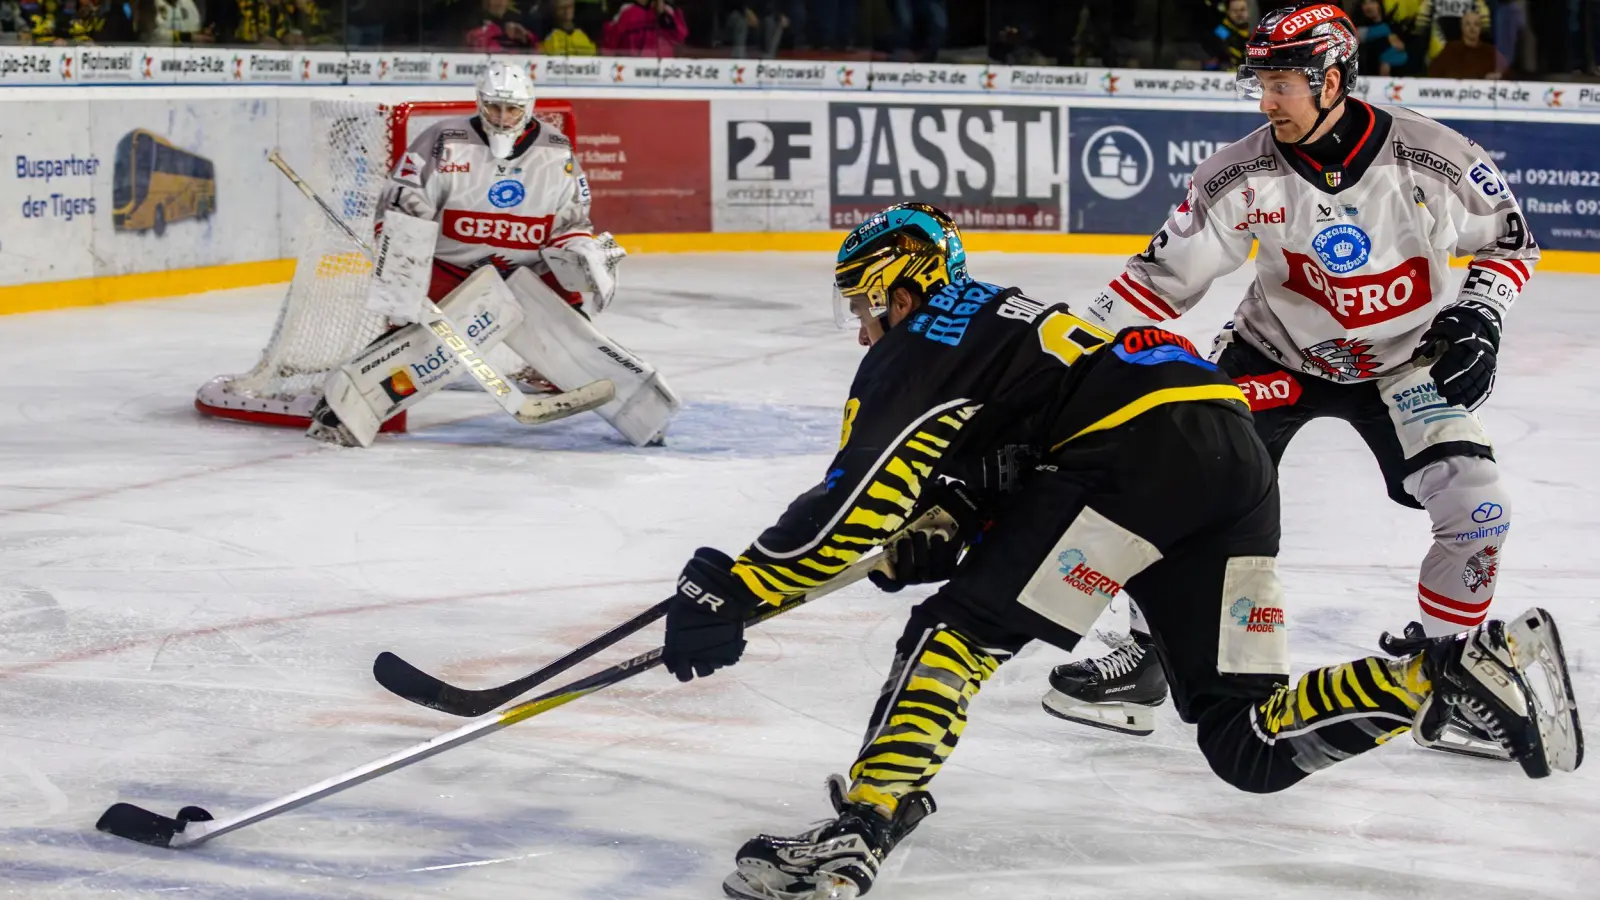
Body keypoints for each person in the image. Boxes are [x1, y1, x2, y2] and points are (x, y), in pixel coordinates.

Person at [655, 203, 1581, 900]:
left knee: (961, 633)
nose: (862, 327)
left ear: (901, 286)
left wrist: (732, 590)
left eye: (863, 304)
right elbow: (974, 500)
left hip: (1136, 457)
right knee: (1246, 741)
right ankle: (1453, 672)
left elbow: (855, 507)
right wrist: (926, 541)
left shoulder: (926, 338)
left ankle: (858, 831)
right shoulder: (1009, 330)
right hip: (1229, 458)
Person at [1043, 2, 1539, 760]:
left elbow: (1510, 243)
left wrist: (1482, 313)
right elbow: (1158, 280)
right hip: (1272, 354)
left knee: (1478, 510)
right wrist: (1063, 354)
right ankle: (1150, 657)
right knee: (1185, 485)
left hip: (1404, 362)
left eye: (1283, 82)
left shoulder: (1433, 155)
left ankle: (1452, 677)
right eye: (1262, 82)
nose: (1267, 99)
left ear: (1333, 78)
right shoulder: (1240, 171)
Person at [313, 62, 678, 449]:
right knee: (416, 343)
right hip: (449, 268)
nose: (503, 119)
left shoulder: (556, 153)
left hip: (525, 271)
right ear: (480, 103)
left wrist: (582, 252)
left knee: (569, 326)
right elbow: (401, 211)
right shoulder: (444, 141)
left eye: (512, 110)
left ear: (529, 107)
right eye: (493, 108)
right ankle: (344, 404)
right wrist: (403, 280)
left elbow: (570, 224)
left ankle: (630, 403)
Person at [1429, 8, 1504, 78]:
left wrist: (1498, 75)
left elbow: (1508, 72)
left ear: (1480, 28)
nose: (1472, 28)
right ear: (1462, 27)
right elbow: (1433, 72)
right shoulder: (1451, 49)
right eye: (1468, 24)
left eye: (1476, 24)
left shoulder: (1490, 51)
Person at [600, 0, 686, 56]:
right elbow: (609, 44)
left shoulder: (670, 11)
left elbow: (680, 38)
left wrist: (662, 14)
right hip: (631, 70)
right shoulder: (625, 11)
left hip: (662, 71)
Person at [464, 0, 539, 51]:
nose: (499, 2)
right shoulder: (471, 20)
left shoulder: (519, 21)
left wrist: (526, 38)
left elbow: (536, 56)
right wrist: (501, 29)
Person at [1203, 0, 1254, 70]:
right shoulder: (1220, 31)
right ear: (1228, 12)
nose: (1239, 14)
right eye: (1235, 11)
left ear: (1249, 11)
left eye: (1242, 10)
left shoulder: (1252, 34)